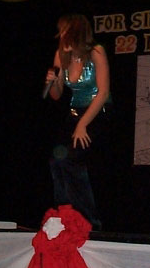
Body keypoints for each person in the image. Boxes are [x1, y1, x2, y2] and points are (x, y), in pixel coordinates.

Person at [45, 13, 112, 230]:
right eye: (60, 31)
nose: (61, 35)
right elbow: (56, 95)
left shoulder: (96, 52)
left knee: (71, 158)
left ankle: (88, 220)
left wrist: (83, 124)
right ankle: (64, 214)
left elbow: (103, 92)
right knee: (56, 160)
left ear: (76, 32)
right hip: (74, 113)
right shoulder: (61, 55)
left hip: (97, 112)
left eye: (65, 31)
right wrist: (53, 82)